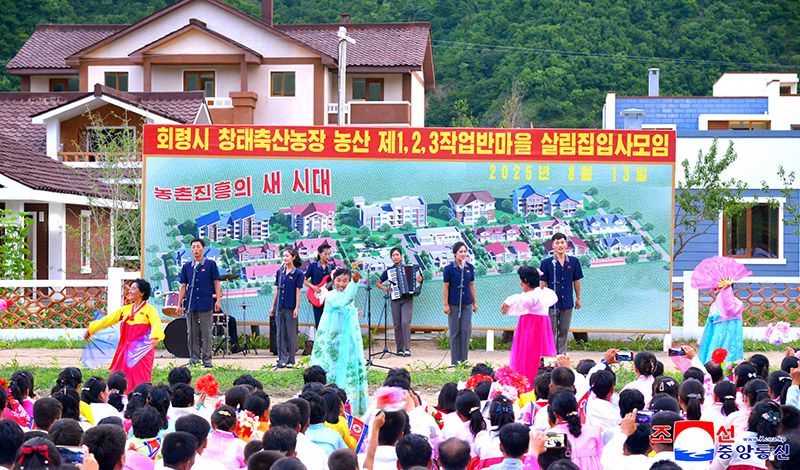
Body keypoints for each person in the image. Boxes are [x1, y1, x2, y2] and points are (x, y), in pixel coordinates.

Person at [84, 279, 164, 390]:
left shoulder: (150, 310)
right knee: (119, 378)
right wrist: (91, 330)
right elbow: (108, 320)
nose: (130, 291)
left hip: (142, 351)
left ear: (142, 293)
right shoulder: (125, 310)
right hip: (126, 351)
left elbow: (156, 324)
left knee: (141, 378)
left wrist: (155, 337)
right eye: (130, 288)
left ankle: (141, 396)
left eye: (133, 289)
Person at [310, 267, 369, 416]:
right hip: (334, 341)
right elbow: (344, 301)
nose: (341, 284)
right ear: (333, 280)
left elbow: (349, 305)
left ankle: (352, 406)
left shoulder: (348, 297)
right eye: (338, 280)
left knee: (350, 369)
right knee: (333, 369)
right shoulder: (331, 296)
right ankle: (331, 404)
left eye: (345, 281)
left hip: (349, 342)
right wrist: (355, 283)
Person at [500, 265, 558, 383]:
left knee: (528, 354)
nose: (520, 284)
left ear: (525, 281)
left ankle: (527, 381)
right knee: (546, 351)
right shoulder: (545, 293)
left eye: (521, 280)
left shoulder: (533, 296)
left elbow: (523, 299)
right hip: (544, 329)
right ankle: (549, 379)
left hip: (531, 328)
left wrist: (509, 300)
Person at [178, 238, 222, 368]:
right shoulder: (187, 267)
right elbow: (183, 286)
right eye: (193, 247)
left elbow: (216, 283)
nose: (195, 249)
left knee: (206, 333)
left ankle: (207, 360)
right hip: (191, 304)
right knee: (192, 333)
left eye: (198, 247)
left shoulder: (210, 264)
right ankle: (194, 359)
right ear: (190, 250)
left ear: (203, 249)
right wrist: (179, 304)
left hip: (205, 303)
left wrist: (218, 300)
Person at [539, 232, 584, 354]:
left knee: (564, 330)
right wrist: (542, 302)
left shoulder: (574, 262)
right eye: (557, 243)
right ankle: (550, 356)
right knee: (550, 332)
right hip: (551, 304)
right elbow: (543, 284)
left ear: (566, 244)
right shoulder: (546, 263)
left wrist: (578, 298)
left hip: (567, 302)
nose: (560, 245)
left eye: (562, 242)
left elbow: (576, 281)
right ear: (553, 245)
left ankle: (561, 355)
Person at [377, 247, 423, 357]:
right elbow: (378, 283)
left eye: (397, 255)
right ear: (391, 258)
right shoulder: (389, 271)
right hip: (395, 299)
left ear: (401, 256)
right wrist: (386, 288)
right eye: (393, 255)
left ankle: (407, 349)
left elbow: (419, 279)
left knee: (405, 323)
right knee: (397, 325)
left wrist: (420, 280)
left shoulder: (410, 268)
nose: (395, 257)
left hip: (407, 299)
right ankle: (400, 349)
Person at [443, 242, 477, 365]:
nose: (463, 254)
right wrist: (446, 305)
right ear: (455, 253)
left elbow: (471, 285)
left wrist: (475, 303)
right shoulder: (449, 269)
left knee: (465, 331)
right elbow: (446, 288)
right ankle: (455, 361)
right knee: (455, 331)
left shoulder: (469, 268)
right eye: (460, 252)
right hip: (453, 304)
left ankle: (464, 360)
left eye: (464, 251)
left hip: (467, 303)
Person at [270, 248, 304, 368]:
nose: (285, 258)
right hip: (280, 307)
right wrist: (273, 306)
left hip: (291, 307)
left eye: (287, 256)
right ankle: (282, 359)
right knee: (280, 334)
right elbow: (277, 290)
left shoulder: (298, 273)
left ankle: (291, 360)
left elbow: (298, 292)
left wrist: (296, 308)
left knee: (291, 334)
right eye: (283, 256)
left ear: (293, 257)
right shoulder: (280, 272)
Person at [697, 280, 745, 365]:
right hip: (715, 339)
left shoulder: (736, 305)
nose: (716, 292)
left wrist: (726, 288)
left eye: (718, 289)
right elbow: (709, 325)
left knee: (728, 359)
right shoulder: (714, 305)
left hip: (730, 340)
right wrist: (702, 338)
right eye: (714, 289)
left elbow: (728, 308)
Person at [304, 242, 338, 332]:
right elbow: (303, 280)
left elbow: (336, 283)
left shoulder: (332, 267)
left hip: (329, 298)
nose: (328, 256)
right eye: (325, 254)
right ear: (319, 253)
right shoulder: (313, 266)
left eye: (329, 254)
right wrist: (314, 287)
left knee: (330, 321)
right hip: (317, 297)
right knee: (319, 321)